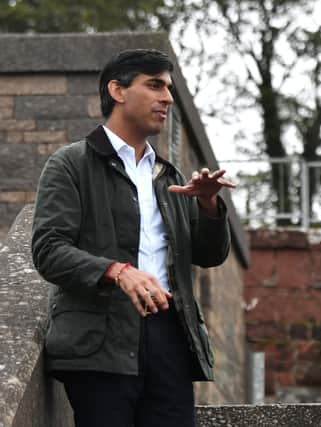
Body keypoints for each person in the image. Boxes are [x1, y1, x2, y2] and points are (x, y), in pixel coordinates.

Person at [31, 49, 235, 427]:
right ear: (118, 91)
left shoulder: (169, 176)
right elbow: (48, 250)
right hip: (100, 343)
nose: (168, 98)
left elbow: (209, 255)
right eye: (154, 85)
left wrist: (208, 205)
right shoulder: (71, 164)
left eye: (170, 89)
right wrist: (117, 271)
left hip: (170, 339)